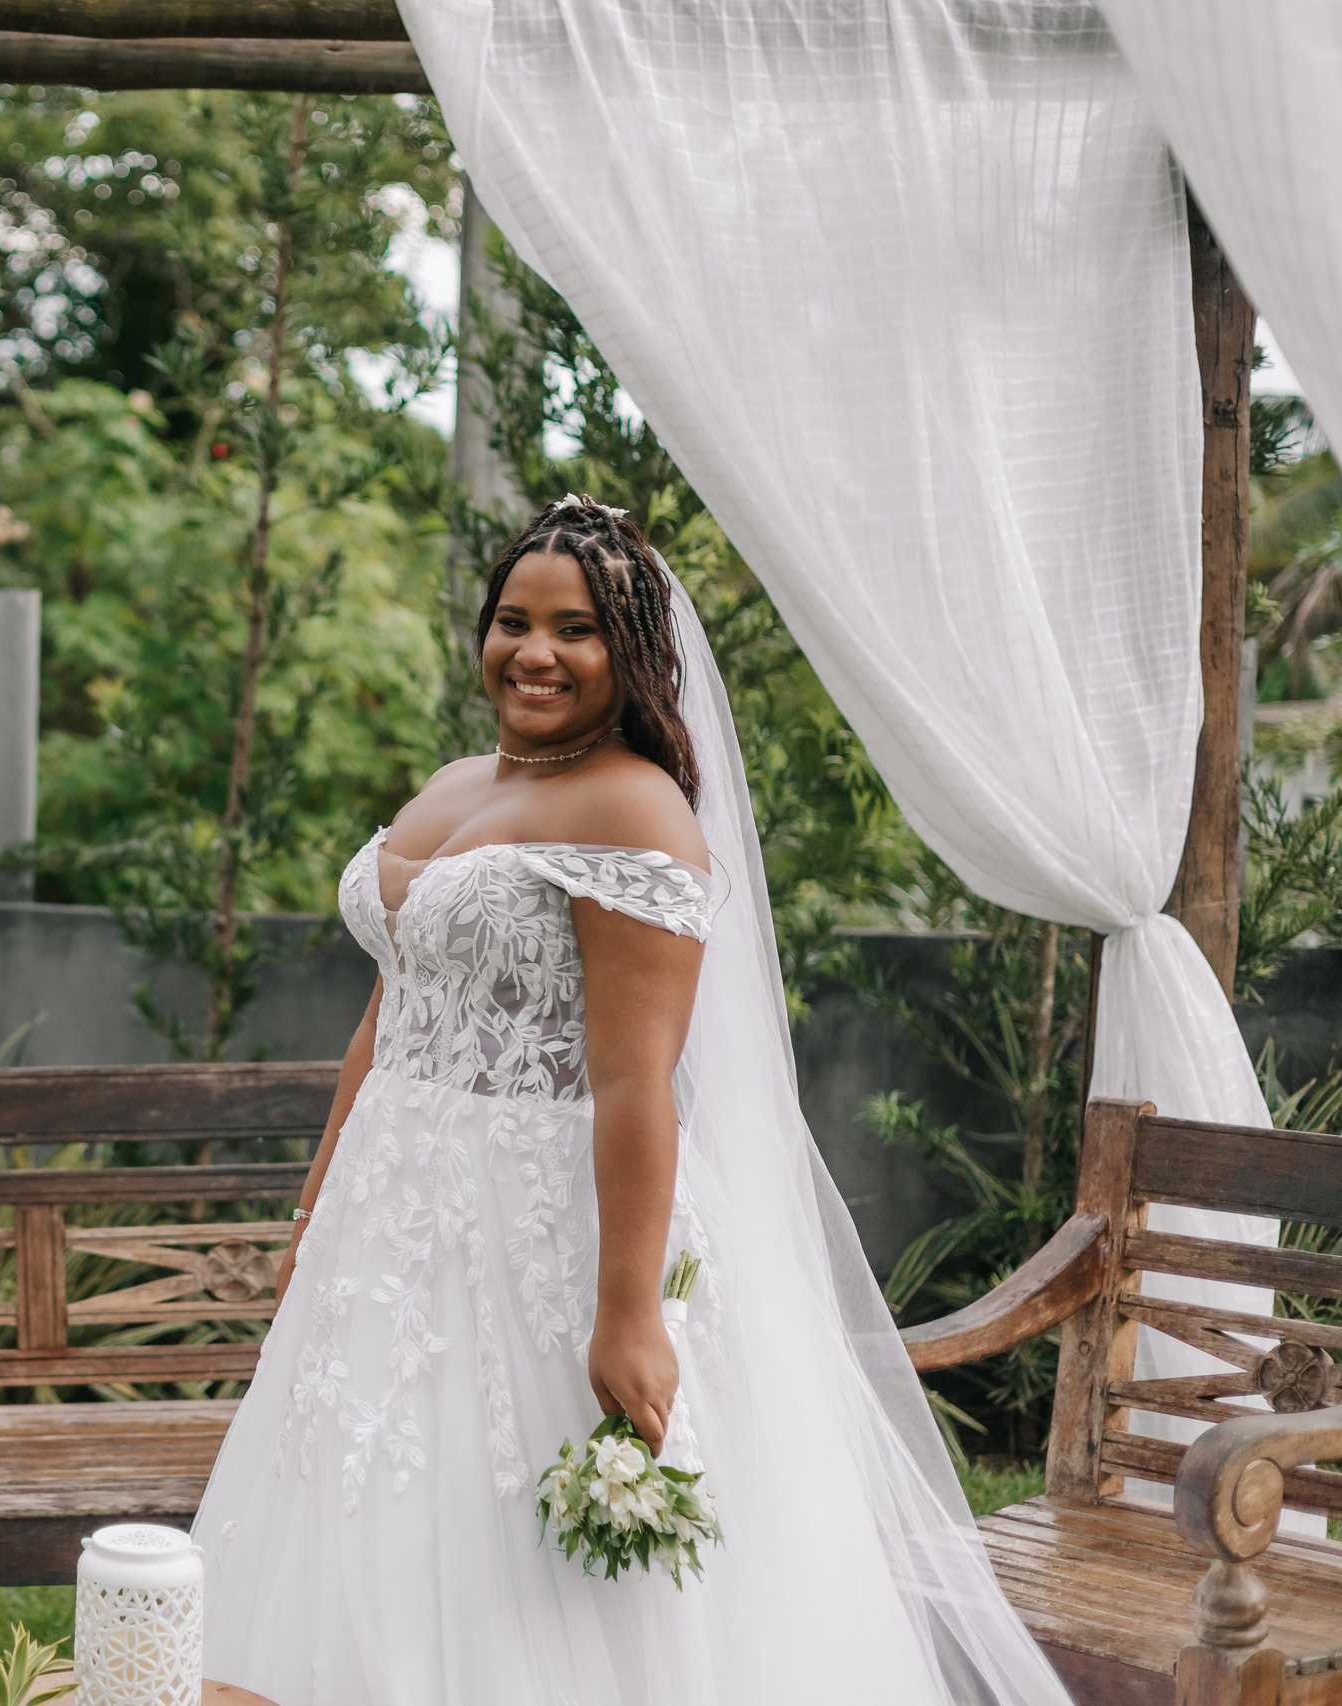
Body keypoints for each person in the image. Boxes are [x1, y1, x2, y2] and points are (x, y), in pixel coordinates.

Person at [191, 495, 1070, 1705]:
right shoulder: (447, 785)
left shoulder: (634, 810)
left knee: (521, 1562)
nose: (534, 651)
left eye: (576, 628)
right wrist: (315, 1211)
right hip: (385, 1232)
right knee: (359, 1512)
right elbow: (383, 1022)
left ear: (634, 653)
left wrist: (627, 1312)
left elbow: (633, 1080)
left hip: (539, 1237)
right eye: (512, 620)